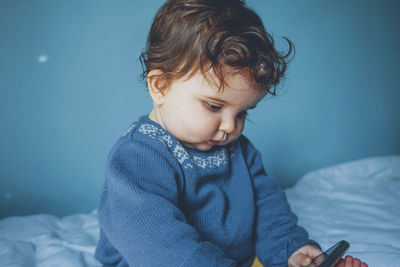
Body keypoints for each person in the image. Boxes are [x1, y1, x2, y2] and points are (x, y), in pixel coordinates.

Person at [95, 1, 368, 266]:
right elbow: (162, 247)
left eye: (242, 113)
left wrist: (292, 250)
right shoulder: (135, 159)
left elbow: (267, 207)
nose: (230, 126)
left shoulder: (240, 149)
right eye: (214, 106)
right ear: (160, 86)